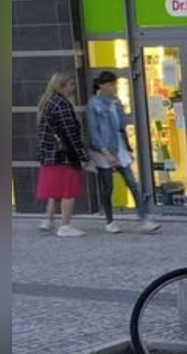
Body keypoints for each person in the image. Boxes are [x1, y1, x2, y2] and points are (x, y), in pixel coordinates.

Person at [86, 71, 160, 234]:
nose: (114, 87)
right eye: (111, 84)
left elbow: (121, 127)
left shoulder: (116, 102)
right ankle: (109, 220)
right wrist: (105, 153)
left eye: (115, 84)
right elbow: (94, 131)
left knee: (132, 183)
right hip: (103, 149)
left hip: (119, 147)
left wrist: (127, 147)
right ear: (102, 85)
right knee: (108, 186)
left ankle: (143, 218)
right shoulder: (94, 104)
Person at [35, 73, 89, 237]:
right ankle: (65, 225)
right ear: (61, 86)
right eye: (71, 85)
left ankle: (48, 219)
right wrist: (82, 156)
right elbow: (70, 133)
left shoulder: (47, 102)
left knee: (56, 190)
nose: (74, 88)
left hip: (50, 154)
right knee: (68, 191)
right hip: (64, 155)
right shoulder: (61, 105)